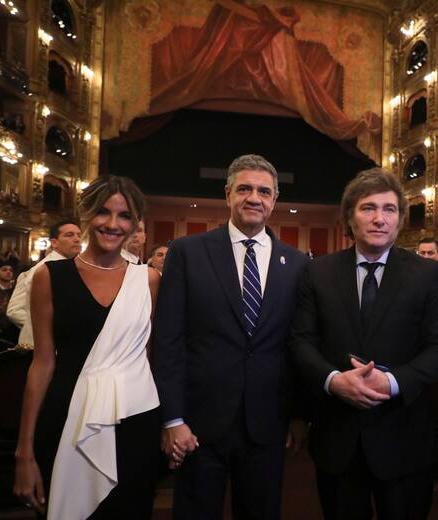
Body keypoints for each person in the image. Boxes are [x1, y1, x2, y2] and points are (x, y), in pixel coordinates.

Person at [289, 168, 438, 519]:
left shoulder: (427, 275)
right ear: (350, 217)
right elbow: (301, 342)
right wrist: (334, 381)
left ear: (399, 219)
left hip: (404, 438)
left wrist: (392, 382)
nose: (379, 219)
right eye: (368, 208)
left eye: (389, 209)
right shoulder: (317, 272)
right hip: (338, 439)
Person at [152, 154, 308, 519]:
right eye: (244, 188)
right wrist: (172, 419)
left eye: (264, 191)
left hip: (267, 425)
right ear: (227, 194)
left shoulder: (298, 264)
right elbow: (169, 340)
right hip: (199, 425)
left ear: (275, 199)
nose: (254, 197)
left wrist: (299, 416)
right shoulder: (187, 253)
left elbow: (298, 346)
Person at [14, 176, 161, 519]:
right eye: (103, 212)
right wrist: (24, 451)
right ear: (85, 214)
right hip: (67, 417)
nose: (112, 224)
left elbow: (151, 359)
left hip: (134, 420)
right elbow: (42, 364)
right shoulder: (49, 276)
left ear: (135, 223)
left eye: (124, 216)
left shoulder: (149, 281)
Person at [7, 219, 82, 348]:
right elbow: (16, 311)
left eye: (79, 235)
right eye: (69, 235)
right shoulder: (45, 270)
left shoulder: (69, 267)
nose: (77, 239)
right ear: (54, 242)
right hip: (42, 345)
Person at [0, 260, 19, 350]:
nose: (8, 272)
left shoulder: (17, 289)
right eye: (4, 270)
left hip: (15, 329)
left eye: (11, 270)